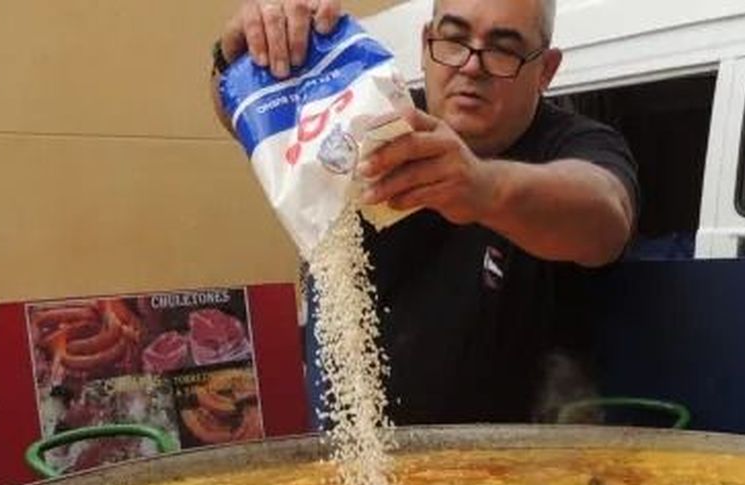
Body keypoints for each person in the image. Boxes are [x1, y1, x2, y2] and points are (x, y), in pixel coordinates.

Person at [210, 0, 640, 425]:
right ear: (425, 42)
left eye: (503, 48)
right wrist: (236, 56)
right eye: (453, 39)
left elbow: (606, 215)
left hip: (513, 474)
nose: (472, 65)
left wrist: (483, 188)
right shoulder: (368, 120)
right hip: (353, 465)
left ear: (545, 70)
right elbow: (246, 115)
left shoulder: (575, 144)